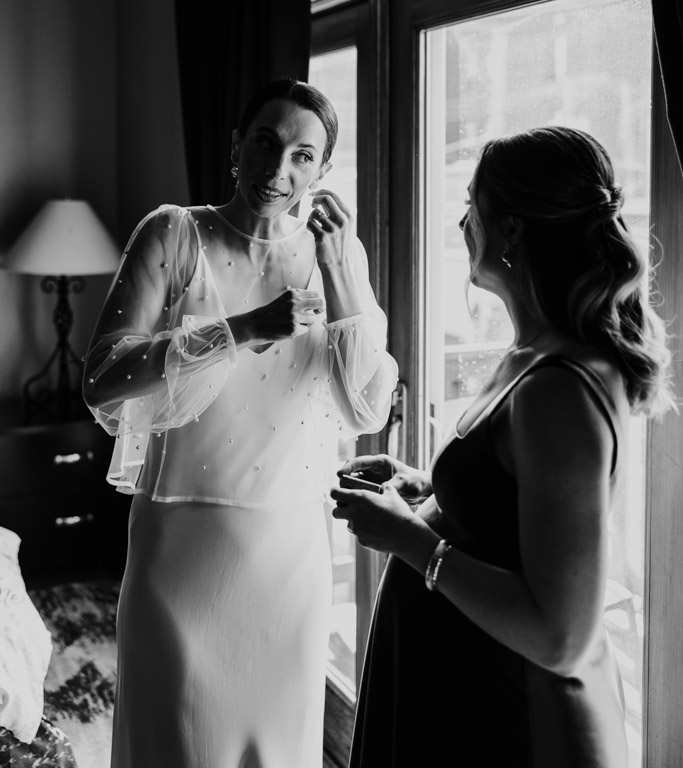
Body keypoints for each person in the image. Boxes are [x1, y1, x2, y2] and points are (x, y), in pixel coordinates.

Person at [331, 126, 674, 768]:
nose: (462, 220)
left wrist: (408, 537)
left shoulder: (560, 390)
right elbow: (516, 516)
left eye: (472, 203)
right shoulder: (527, 353)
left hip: (498, 714)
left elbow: (560, 635)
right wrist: (431, 491)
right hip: (455, 685)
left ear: (511, 229)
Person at [82, 78, 398, 768]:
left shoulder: (335, 257)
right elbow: (102, 377)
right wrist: (241, 329)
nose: (278, 168)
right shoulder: (173, 232)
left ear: (322, 171)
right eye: (265, 142)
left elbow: (364, 406)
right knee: (179, 739)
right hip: (180, 555)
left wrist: (342, 273)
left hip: (289, 557)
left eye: (302, 156)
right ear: (235, 147)